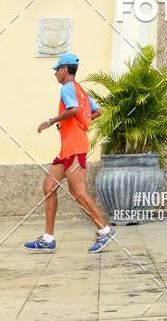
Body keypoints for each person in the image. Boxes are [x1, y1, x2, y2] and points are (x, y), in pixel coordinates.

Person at [24, 52, 115, 253]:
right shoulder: (80, 90)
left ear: (65, 70)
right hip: (68, 148)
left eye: (57, 70)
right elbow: (97, 112)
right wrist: (80, 122)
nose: (55, 74)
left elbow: (73, 110)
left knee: (78, 191)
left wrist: (51, 121)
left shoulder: (67, 88)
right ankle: (48, 238)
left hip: (74, 147)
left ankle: (104, 229)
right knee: (48, 186)